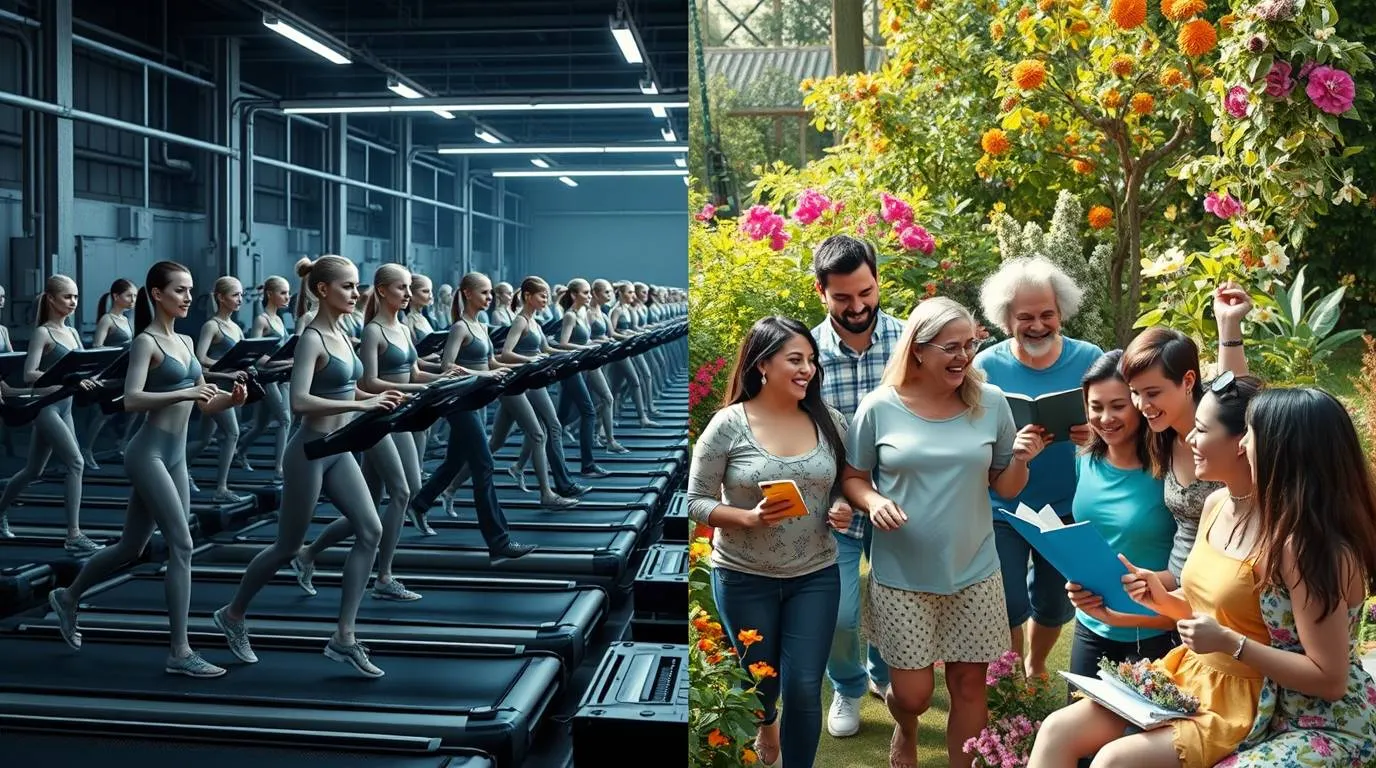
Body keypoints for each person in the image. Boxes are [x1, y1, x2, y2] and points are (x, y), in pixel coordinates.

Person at [842, 296, 1049, 768]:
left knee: (970, 686)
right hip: (902, 575)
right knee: (914, 695)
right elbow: (853, 477)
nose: (963, 357)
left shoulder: (991, 402)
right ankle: (906, 725)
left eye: (970, 346)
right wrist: (874, 501)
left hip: (974, 568)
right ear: (918, 348)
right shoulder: (879, 407)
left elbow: (1006, 487)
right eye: (950, 347)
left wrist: (1018, 458)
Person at [1033, 374, 1268, 765]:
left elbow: (1320, 667)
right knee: (1056, 728)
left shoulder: (1284, 537)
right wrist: (1119, 611)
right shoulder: (1212, 508)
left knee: (1112, 759)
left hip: (1238, 691)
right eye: (1096, 407)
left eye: (1200, 430)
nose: (1188, 439)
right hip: (1187, 669)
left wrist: (1228, 327)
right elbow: (1189, 610)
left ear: (1244, 443)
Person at [49, 261, 247, 678]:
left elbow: (201, 403)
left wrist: (231, 400)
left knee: (130, 547)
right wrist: (187, 389)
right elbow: (132, 399)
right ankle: (180, 651)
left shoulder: (189, 341)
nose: (188, 297)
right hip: (148, 453)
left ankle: (68, 597)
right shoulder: (145, 342)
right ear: (156, 294)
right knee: (183, 545)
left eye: (191, 290)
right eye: (179, 290)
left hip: (174, 455)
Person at [213, 255, 404, 678]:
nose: (357, 294)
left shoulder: (344, 331)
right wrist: (362, 403)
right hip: (309, 452)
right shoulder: (312, 337)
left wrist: (388, 394)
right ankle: (233, 613)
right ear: (322, 289)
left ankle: (344, 638)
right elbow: (299, 401)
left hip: (339, 447)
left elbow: (350, 383)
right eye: (349, 287)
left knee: (370, 529)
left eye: (357, 287)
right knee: (286, 547)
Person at [688, 315, 852, 768]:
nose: (808, 370)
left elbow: (842, 485)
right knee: (761, 683)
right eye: (795, 359)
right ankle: (766, 723)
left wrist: (841, 505)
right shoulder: (727, 424)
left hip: (815, 575)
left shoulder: (831, 422)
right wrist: (746, 516)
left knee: (804, 685)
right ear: (763, 364)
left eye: (812, 361)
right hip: (743, 577)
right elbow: (695, 501)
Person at [973, 256, 1103, 679]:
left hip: (1069, 503)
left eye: (1047, 314)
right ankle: (1011, 680)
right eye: (1025, 316)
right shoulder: (986, 367)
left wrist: (1097, 436)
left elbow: (1121, 425)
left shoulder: (1090, 359)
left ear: (1061, 312)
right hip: (1004, 506)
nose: (1037, 325)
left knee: (1055, 601)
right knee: (1007, 600)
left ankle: (1037, 662)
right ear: (1006, 319)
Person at [293, 264, 453, 603]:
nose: (408, 294)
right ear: (381, 291)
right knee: (401, 491)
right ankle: (384, 576)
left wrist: (442, 378)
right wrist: (401, 394)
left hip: (397, 415)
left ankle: (309, 553)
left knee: (376, 502)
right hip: (375, 419)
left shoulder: (404, 329)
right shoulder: (372, 331)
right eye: (402, 288)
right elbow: (367, 383)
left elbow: (413, 372)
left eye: (411, 288)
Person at [808, 235, 905, 739]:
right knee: (842, 613)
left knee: (894, 602)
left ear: (877, 280)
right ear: (821, 291)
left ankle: (885, 677)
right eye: (842, 298)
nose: (858, 306)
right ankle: (846, 685)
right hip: (834, 506)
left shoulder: (910, 341)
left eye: (865, 292)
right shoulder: (805, 353)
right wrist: (831, 497)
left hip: (900, 503)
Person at [1120, 286, 1250, 591]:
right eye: (1135, 393)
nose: (1141, 405)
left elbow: (1237, 395)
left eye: (1152, 393)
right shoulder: (1160, 437)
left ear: (1188, 380)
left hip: (1223, 589)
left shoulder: (1224, 432)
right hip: (1177, 585)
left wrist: (1228, 322)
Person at [1064, 350, 1178, 681]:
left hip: (1153, 629)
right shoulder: (1084, 458)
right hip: (1090, 624)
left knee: (1137, 730)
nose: (1105, 418)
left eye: (1117, 406)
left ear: (1140, 404)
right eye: (1095, 407)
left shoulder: (1171, 467)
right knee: (1078, 724)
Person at [406, 271, 536, 561]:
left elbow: (490, 360)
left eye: (491, 293)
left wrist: (514, 367)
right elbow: (447, 365)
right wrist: (486, 373)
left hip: (478, 400)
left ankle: (420, 503)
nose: (489, 298)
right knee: (484, 466)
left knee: (455, 460)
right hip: (459, 403)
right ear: (467, 293)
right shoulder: (460, 328)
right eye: (484, 293)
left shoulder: (480, 326)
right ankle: (498, 542)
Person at [0, 275, 102, 551]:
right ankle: (73, 535)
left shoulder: (74, 333)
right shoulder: (43, 333)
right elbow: (29, 374)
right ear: (52, 299)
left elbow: (81, 368)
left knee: (33, 470)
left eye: (76, 297)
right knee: (76, 463)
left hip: (65, 406)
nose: (73, 302)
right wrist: (65, 383)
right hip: (46, 408)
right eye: (68, 297)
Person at [186, 277, 252, 503]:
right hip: (214, 387)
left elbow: (241, 355)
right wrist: (227, 373)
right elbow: (200, 358)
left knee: (205, 439)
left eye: (241, 295)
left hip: (231, 388)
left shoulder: (235, 327)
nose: (240, 299)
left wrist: (248, 365)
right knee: (232, 433)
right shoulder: (212, 325)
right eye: (235, 295)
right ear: (221, 298)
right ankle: (221, 489)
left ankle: (179, 466)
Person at [236, 275, 293, 481]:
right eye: (283, 292)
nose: (288, 297)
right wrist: (286, 362)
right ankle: (280, 468)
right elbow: (257, 356)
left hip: (281, 377)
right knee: (285, 420)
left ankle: (240, 451)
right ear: (270, 294)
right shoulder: (262, 320)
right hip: (267, 378)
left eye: (288, 292)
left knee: (261, 425)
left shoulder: (279, 319)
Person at [553, 278, 609, 477]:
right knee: (588, 412)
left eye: (589, 292)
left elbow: (586, 339)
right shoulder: (569, 316)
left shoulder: (583, 313)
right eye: (585, 293)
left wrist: (596, 343)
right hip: (570, 370)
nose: (589, 296)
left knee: (559, 418)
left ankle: (526, 459)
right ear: (574, 295)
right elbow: (563, 343)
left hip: (581, 367)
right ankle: (588, 465)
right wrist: (586, 347)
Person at [81, 278, 138, 468]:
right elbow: (97, 346)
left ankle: (122, 443)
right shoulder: (108, 319)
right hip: (109, 372)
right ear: (116, 296)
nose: (133, 300)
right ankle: (86, 449)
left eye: (135, 296)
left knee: (135, 407)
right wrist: (122, 347)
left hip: (126, 370)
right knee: (104, 414)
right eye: (129, 295)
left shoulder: (126, 319)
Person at [585, 279, 629, 453]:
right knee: (606, 398)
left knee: (602, 400)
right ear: (595, 293)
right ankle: (609, 440)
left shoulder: (603, 314)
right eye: (606, 292)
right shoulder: (587, 314)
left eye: (611, 292)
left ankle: (598, 434)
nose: (610, 295)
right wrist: (599, 341)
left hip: (603, 360)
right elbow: (584, 340)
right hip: (591, 363)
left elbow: (612, 335)